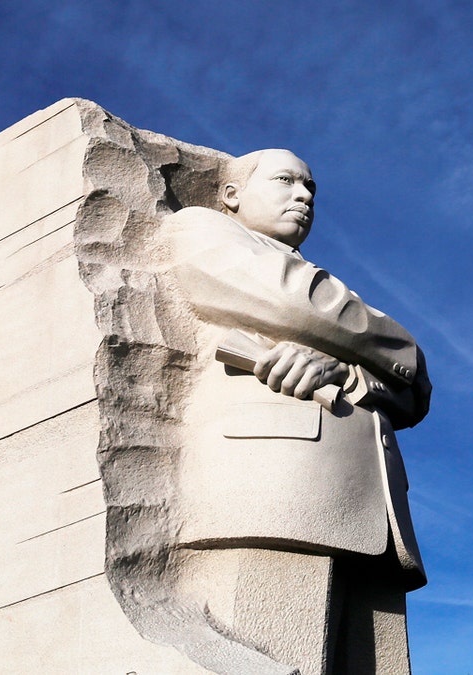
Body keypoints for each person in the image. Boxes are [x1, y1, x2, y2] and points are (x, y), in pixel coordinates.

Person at [158, 149, 432, 674]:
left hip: (373, 507)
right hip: (276, 487)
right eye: (285, 181)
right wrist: (394, 342)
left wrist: (346, 370)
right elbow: (297, 304)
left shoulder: (318, 283)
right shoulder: (201, 229)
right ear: (231, 195)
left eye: (310, 188)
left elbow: (415, 389)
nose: (304, 196)